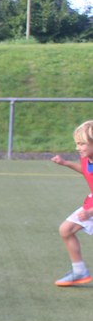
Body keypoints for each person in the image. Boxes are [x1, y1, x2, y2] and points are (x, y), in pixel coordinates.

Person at [50, 120, 93, 286]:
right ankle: (79, 271)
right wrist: (66, 163)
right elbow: (87, 171)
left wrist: (90, 212)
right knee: (66, 230)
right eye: (77, 144)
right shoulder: (87, 158)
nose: (77, 148)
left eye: (81, 144)